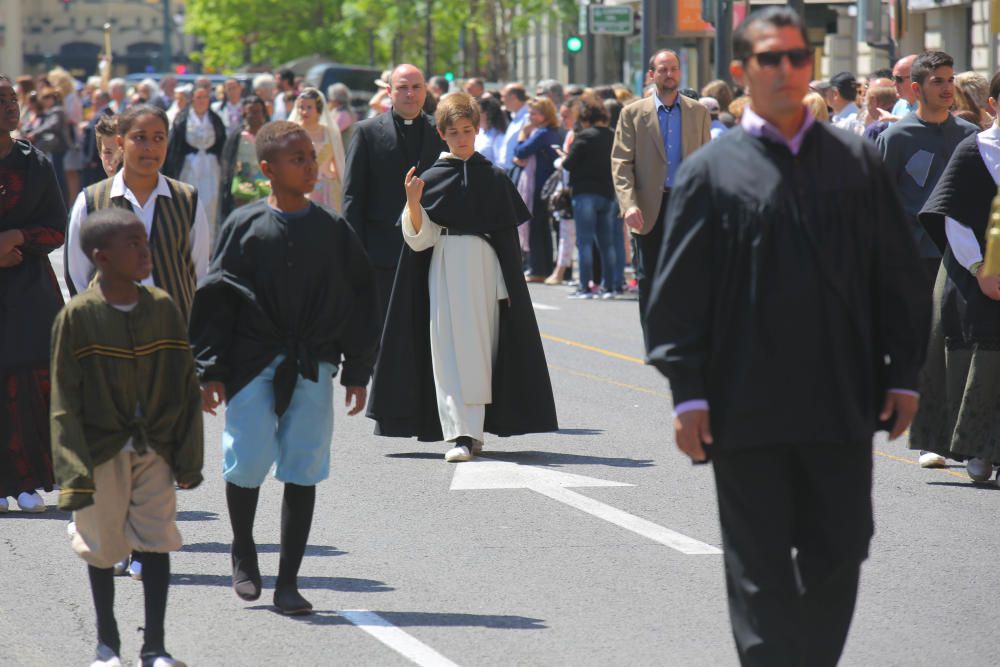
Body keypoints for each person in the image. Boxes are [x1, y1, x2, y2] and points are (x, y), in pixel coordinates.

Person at [644, 9, 930, 665]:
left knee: (841, 548)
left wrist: (903, 373)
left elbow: (896, 275)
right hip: (746, 405)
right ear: (741, 72)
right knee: (759, 564)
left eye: (798, 58)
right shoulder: (711, 174)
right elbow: (677, 294)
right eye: (770, 59)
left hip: (841, 398)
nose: (786, 70)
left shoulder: (856, 162)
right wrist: (688, 394)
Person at [190, 120, 378, 615]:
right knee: (247, 458)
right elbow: (215, 300)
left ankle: (289, 580)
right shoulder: (245, 224)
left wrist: (358, 368)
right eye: (297, 158)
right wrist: (210, 370)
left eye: (311, 156)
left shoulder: (332, 229)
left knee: (303, 463)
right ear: (268, 169)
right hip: (253, 362)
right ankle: (244, 548)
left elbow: (362, 296)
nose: (310, 165)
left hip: (312, 361)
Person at [367, 92, 557, 461]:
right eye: (453, 132)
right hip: (445, 266)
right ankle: (460, 434)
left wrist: (510, 287)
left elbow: (508, 240)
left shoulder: (495, 177)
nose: (461, 138)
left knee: (482, 351)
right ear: (442, 134)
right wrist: (413, 203)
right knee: (448, 349)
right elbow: (419, 240)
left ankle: (473, 427)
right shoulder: (430, 178)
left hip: (486, 272)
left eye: (467, 130)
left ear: (477, 128)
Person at [50, 207, 202, 667]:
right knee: (102, 545)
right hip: (100, 451)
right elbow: (63, 400)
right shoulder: (77, 317)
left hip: (153, 447)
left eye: (145, 241)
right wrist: (73, 472)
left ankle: (154, 646)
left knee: (156, 539)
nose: (144, 251)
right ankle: (106, 645)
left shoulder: (161, 308)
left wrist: (187, 456)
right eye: (131, 244)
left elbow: (183, 386)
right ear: (101, 257)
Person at [910, 72, 1000, 484]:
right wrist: (981, 271)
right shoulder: (974, 151)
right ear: (992, 106)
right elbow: (953, 218)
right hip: (973, 272)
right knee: (981, 352)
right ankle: (977, 449)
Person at [66, 104, 211, 322]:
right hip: (110, 335)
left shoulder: (187, 200)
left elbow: (199, 273)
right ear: (120, 143)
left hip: (173, 334)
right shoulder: (91, 201)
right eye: (140, 137)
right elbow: (78, 275)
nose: (150, 147)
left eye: (158, 138)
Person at [0, 74, 67, 514]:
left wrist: (17, 236)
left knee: (27, 379)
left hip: (28, 291)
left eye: (12, 99)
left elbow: (58, 227)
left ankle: (27, 481)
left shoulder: (35, 163)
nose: (10, 106)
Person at [611, 49, 711, 340]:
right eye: (663, 70)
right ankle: (655, 340)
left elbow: (706, 161)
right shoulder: (633, 113)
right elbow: (621, 162)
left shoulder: (698, 112)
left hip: (686, 206)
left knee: (688, 275)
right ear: (651, 75)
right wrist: (628, 205)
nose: (670, 75)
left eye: (674, 69)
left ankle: (684, 338)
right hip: (647, 207)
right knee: (650, 277)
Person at [343, 64, 446, 327]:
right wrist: (353, 254)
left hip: (432, 251)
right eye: (402, 88)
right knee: (382, 332)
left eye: (416, 87)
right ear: (389, 91)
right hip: (382, 253)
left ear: (425, 91)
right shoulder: (365, 132)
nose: (410, 94)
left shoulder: (443, 132)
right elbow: (353, 196)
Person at [563, 95, 621, 299]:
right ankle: (609, 286)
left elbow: (568, 164)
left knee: (585, 241)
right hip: (607, 193)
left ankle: (585, 287)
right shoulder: (613, 135)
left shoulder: (584, 136)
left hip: (584, 192)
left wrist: (562, 158)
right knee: (607, 243)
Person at [164, 83, 226, 240]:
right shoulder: (182, 119)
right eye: (198, 97)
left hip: (211, 169)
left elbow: (222, 145)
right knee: (189, 202)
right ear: (192, 99)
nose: (202, 101)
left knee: (210, 204)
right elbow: (174, 147)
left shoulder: (215, 120)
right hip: (188, 167)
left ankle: (209, 243)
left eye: (205, 97)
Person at [513, 97, 562, 282]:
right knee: (543, 229)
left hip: (539, 185)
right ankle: (545, 267)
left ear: (544, 114)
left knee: (536, 227)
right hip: (544, 184)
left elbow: (520, 151)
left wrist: (523, 134)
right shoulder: (551, 132)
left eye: (533, 113)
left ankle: (538, 269)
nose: (530, 117)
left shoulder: (542, 133)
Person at [288, 88, 346, 211]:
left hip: (326, 191)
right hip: (299, 187)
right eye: (301, 107)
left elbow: (339, 163)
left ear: (318, 109)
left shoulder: (330, 132)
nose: (304, 111)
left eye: (309, 107)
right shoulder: (292, 132)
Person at [218, 95, 270, 223]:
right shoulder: (237, 136)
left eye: (257, 112)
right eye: (250, 112)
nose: (253, 116)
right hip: (242, 186)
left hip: (266, 185)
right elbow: (227, 162)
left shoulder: (270, 135)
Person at [497, 83, 529, 171]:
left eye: (504, 96)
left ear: (513, 97)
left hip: (517, 170)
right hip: (508, 170)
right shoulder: (516, 116)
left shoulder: (528, 117)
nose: (502, 100)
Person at [474, 94, 507, 164]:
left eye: (478, 113)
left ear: (488, 114)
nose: (475, 116)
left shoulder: (498, 136)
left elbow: (501, 164)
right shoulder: (479, 133)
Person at [327, 82, 356, 148]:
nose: (329, 99)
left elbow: (332, 132)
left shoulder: (345, 113)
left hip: (342, 152)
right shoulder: (336, 110)